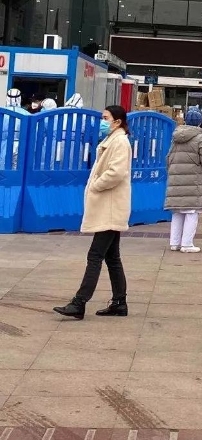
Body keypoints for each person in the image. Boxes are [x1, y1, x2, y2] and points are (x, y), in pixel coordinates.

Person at [53, 106, 132, 320]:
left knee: (95, 255)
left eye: (105, 118)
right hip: (110, 207)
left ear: (117, 122)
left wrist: (96, 185)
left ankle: (79, 303)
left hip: (110, 207)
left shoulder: (119, 142)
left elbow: (116, 173)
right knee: (112, 257)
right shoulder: (112, 140)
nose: (102, 122)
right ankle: (119, 303)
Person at [164, 108, 202, 253]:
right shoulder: (201, 138)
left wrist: (172, 172)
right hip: (194, 180)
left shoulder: (176, 136)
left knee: (177, 212)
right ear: (200, 122)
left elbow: (168, 157)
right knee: (192, 212)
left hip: (176, 178)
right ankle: (187, 244)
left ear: (186, 120)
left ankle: (174, 243)